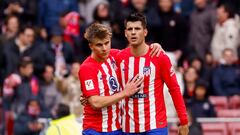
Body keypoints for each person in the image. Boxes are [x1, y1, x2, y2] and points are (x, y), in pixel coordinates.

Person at [79, 23, 162, 134]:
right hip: (95, 129)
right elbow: (95, 103)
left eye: (107, 43)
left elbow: (138, 51)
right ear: (91, 46)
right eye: (99, 45)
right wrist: (124, 93)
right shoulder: (87, 68)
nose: (104, 48)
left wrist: (154, 46)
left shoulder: (114, 55)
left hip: (117, 128)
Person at [116, 13, 189, 135]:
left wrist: (184, 120)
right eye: (130, 29)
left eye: (137, 28)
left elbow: (174, 88)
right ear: (125, 33)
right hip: (129, 127)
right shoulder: (119, 58)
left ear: (145, 32)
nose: (133, 32)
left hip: (155, 126)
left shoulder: (159, 57)